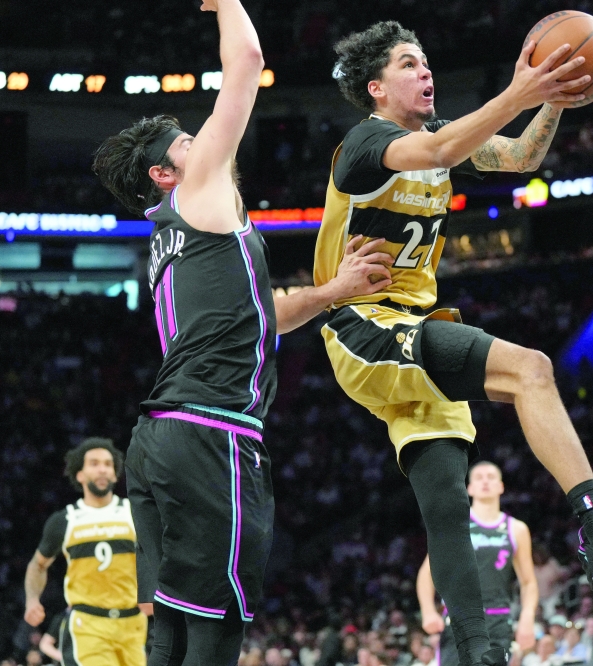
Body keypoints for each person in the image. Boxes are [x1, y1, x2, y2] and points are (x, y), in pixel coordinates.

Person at [314, 20, 593, 666]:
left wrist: (554, 92)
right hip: (365, 329)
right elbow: (438, 154)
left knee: (447, 506)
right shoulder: (365, 144)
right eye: (410, 64)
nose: (426, 72)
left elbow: (521, 157)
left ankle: (478, 656)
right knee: (531, 368)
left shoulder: (443, 139)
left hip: (417, 327)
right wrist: (522, 88)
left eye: (427, 60)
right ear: (377, 88)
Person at [91, 2, 391, 663]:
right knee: (219, 624)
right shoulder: (199, 190)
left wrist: (335, 291)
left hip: (158, 441)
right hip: (209, 433)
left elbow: (262, 313)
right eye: (185, 144)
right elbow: (247, 64)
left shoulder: (174, 240)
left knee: (172, 614)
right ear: (163, 174)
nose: (201, 144)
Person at [24, 438, 147, 666]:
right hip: (88, 625)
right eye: (94, 463)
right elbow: (37, 565)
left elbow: (160, 557)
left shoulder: (136, 513)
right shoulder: (65, 520)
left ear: (115, 473)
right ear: (79, 474)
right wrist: (32, 599)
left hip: (134, 624)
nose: (102, 469)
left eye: (108, 464)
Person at [417, 462, 538, 664]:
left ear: (501, 486)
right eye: (479, 477)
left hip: (499, 620)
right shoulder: (454, 525)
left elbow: (529, 582)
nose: (485, 481)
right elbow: (427, 572)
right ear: (469, 488)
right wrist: (428, 611)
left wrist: (527, 618)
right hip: (460, 620)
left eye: (490, 477)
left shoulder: (516, 529)